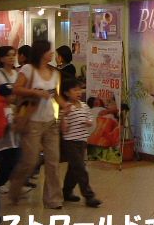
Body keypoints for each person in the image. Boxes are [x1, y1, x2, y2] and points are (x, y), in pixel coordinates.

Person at [9, 40, 66, 209]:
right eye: (49, 51)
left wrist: (66, 106)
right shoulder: (28, 69)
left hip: (50, 121)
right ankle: (15, 187)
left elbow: (56, 95)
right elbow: (16, 89)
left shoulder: (54, 73)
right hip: (32, 121)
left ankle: (53, 199)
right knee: (30, 160)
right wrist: (35, 92)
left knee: (53, 161)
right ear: (41, 52)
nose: (52, 54)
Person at [0, 46, 27, 194]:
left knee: (18, 151)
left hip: (16, 113)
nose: (12, 58)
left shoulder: (18, 74)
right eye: (8, 55)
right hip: (3, 115)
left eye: (13, 55)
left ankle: (15, 183)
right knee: (8, 153)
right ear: (1, 58)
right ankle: (0, 182)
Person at [60, 78, 102, 207]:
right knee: (80, 168)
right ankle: (89, 196)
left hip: (82, 141)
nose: (78, 92)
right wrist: (64, 117)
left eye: (80, 90)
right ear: (66, 93)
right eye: (75, 90)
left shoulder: (84, 106)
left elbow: (90, 118)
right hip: (70, 142)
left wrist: (89, 122)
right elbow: (62, 127)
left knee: (74, 168)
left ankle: (66, 192)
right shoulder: (67, 107)